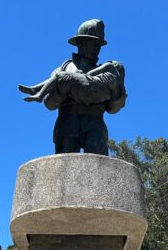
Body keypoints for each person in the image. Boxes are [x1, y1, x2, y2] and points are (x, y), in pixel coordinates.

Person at [18, 19, 127, 155]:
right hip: (67, 124)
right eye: (92, 44)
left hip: (95, 126)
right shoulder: (64, 68)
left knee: (99, 167)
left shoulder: (106, 72)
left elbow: (113, 109)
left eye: (98, 45)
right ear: (80, 43)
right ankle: (36, 91)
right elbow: (49, 105)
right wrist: (60, 91)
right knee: (63, 170)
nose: (95, 49)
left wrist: (115, 90)